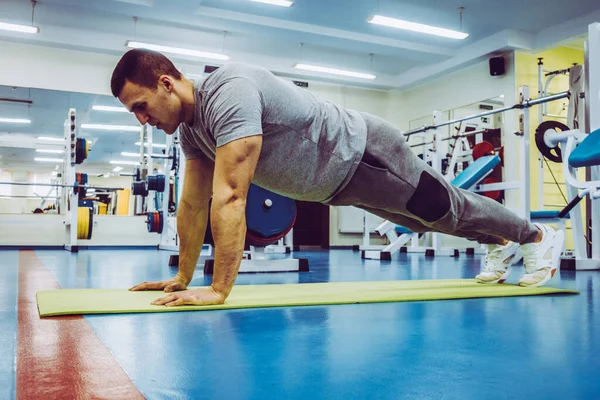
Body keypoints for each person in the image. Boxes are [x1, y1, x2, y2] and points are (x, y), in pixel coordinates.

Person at [110, 49, 565, 307]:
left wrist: (217, 290)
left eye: (141, 107)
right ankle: (499, 244)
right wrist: (183, 277)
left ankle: (536, 235)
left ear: (167, 83)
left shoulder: (229, 92)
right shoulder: (192, 131)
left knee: (446, 206)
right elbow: (191, 204)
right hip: (338, 183)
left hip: (364, 151)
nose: (141, 120)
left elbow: (229, 196)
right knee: (427, 223)